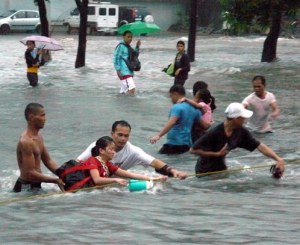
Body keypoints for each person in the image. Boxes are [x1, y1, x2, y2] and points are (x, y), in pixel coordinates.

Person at [190, 102, 285, 177]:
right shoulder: (215, 132)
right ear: (235, 118)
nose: (245, 119)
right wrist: (216, 154)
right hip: (204, 173)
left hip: (221, 169)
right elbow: (193, 150)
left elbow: (259, 146)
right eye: (243, 117)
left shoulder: (240, 131)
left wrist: (278, 159)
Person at [77, 120, 187, 179]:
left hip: (113, 182)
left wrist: (173, 172)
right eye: (120, 135)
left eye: (126, 136)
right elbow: (77, 163)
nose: (123, 139)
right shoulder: (97, 146)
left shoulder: (133, 151)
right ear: (112, 134)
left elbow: (154, 162)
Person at [13, 103, 65, 193]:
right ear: (31, 117)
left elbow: (48, 161)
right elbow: (29, 173)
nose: (45, 119)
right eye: (42, 115)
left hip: (36, 186)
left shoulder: (39, 137)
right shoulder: (26, 142)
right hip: (25, 189)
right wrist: (55, 180)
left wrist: (64, 174)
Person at [82, 136, 167, 188]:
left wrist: (154, 179)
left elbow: (132, 175)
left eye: (114, 149)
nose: (114, 152)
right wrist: (116, 180)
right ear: (101, 150)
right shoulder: (92, 160)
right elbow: (97, 180)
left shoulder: (108, 165)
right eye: (110, 149)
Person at [150, 85, 211, 154]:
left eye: (171, 96)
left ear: (175, 94)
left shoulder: (177, 107)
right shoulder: (195, 109)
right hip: (186, 145)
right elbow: (205, 126)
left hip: (174, 144)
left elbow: (172, 122)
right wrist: (210, 123)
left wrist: (159, 135)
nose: (171, 99)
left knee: (157, 161)